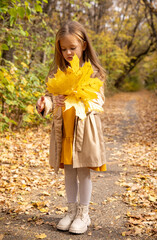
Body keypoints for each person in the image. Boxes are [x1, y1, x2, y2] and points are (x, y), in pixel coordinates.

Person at [36, 20, 106, 234]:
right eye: (63, 48)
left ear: (84, 45)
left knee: (83, 172)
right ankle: (71, 210)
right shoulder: (59, 71)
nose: (68, 52)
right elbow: (50, 97)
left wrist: (76, 97)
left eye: (72, 48)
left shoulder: (92, 71)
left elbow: (98, 101)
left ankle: (84, 215)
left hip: (85, 130)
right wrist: (45, 103)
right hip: (64, 129)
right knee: (68, 171)